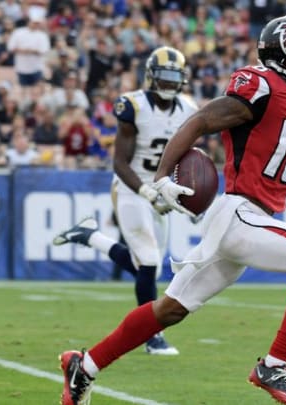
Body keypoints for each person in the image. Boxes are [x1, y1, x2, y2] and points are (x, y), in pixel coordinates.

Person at [58, 15, 286, 405]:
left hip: (254, 220)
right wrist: (162, 176)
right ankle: (274, 365)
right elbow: (199, 121)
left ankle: (86, 365)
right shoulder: (262, 86)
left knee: (169, 310)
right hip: (238, 214)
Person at [52, 46, 198, 355]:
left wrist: (174, 188)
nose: (170, 84)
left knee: (149, 269)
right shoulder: (132, 106)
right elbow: (119, 162)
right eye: (164, 77)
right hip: (131, 187)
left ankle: (90, 236)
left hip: (160, 187)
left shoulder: (188, 108)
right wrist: (146, 191)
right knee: (147, 261)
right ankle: (151, 336)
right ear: (150, 77)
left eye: (175, 78)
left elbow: (186, 158)